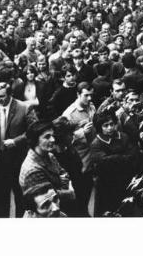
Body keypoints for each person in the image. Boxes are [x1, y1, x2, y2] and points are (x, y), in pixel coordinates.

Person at [0, 81, 38, 217]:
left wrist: (16, 141)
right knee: (1, 196)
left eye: (1, 96)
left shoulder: (24, 108)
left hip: (18, 159)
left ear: (10, 94)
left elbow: (34, 131)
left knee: (20, 196)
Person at [89, 109, 140, 216]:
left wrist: (115, 158)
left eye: (112, 124)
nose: (110, 128)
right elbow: (104, 162)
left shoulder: (123, 136)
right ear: (100, 127)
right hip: (107, 186)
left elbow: (133, 155)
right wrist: (122, 158)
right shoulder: (96, 144)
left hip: (126, 180)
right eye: (105, 125)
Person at [19, 121, 76, 215]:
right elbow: (47, 197)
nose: (53, 139)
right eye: (47, 137)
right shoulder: (32, 170)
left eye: (53, 135)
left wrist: (61, 183)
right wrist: (70, 193)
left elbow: (63, 173)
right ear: (35, 140)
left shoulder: (49, 155)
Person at [61, 82, 96, 214]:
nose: (89, 98)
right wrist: (81, 133)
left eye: (91, 95)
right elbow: (63, 139)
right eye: (86, 95)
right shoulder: (69, 114)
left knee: (88, 192)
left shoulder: (91, 107)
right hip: (79, 160)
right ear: (78, 94)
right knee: (80, 194)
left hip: (91, 156)